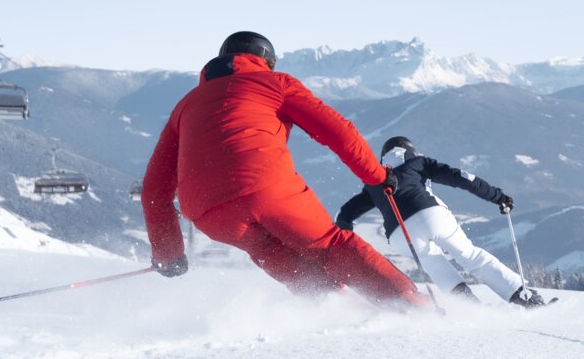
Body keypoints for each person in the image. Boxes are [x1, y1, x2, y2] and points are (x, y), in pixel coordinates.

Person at [140, 31, 430, 310]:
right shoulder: (274, 83)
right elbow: (338, 132)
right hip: (264, 187)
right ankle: (409, 304)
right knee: (330, 246)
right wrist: (377, 177)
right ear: (266, 62)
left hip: (207, 212)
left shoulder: (185, 105)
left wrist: (169, 253)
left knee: (266, 250)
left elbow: (154, 188)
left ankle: (335, 308)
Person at [336, 136, 547, 308]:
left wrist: (344, 239)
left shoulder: (374, 181)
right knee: (471, 256)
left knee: (435, 266)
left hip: (399, 233)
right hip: (432, 215)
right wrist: (497, 197)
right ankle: (526, 297)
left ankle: (471, 310)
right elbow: (462, 178)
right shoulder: (418, 163)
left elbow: (345, 214)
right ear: (410, 150)